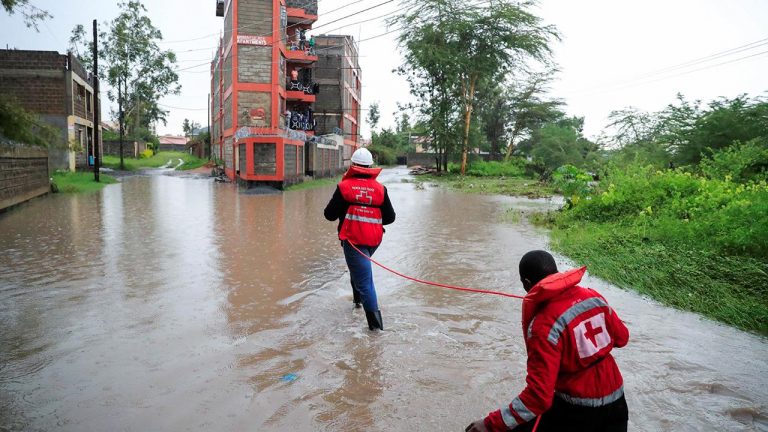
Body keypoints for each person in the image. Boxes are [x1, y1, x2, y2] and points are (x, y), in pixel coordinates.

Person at [466, 250, 629, 432]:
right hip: (618, 404)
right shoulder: (594, 297)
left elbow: (538, 397)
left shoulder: (543, 326)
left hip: (577, 412)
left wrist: (489, 424)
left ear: (527, 284)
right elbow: (622, 338)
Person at [324, 148, 395, 331]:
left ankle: (376, 330)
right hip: (374, 240)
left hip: (353, 241)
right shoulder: (381, 189)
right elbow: (390, 218)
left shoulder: (344, 187)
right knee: (358, 271)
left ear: (353, 165)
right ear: (370, 166)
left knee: (365, 282)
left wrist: (348, 207)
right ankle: (356, 303)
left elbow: (329, 215)